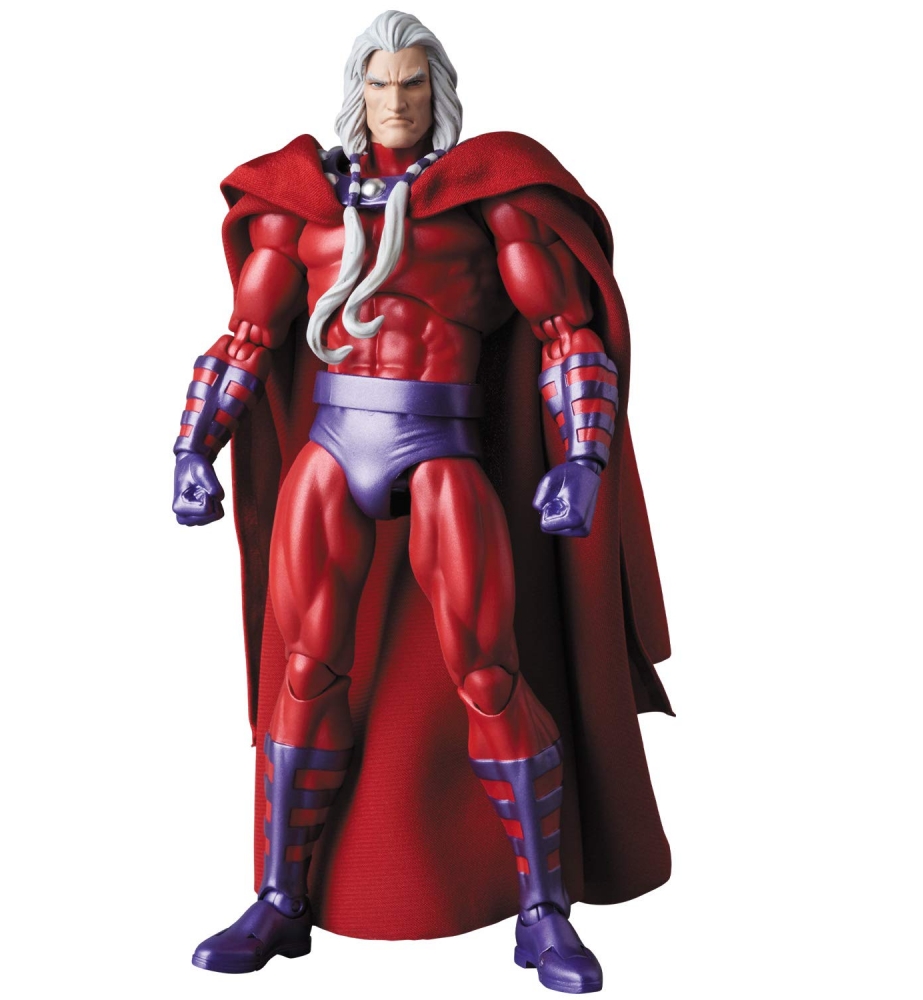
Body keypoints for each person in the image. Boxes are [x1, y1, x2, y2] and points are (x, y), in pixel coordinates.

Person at [172, 10, 672, 994]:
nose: (395, 102)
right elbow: (244, 339)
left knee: (487, 672)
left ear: (434, 92)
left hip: (441, 445)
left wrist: (582, 457)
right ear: (355, 92)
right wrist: (194, 445)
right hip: (331, 447)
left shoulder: (487, 204)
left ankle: (543, 910)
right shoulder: (302, 208)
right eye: (379, 83)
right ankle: (279, 897)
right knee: (306, 669)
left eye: (411, 84)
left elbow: (566, 332)